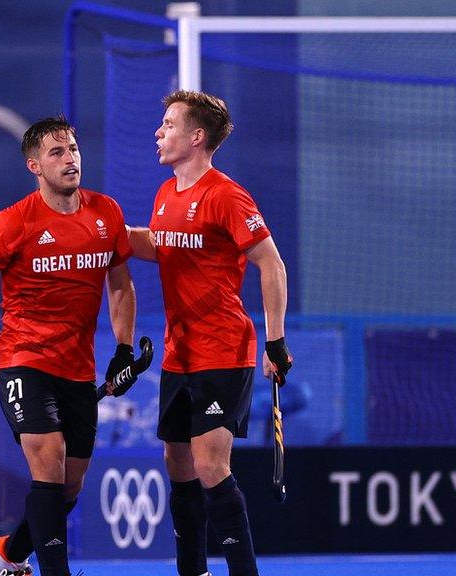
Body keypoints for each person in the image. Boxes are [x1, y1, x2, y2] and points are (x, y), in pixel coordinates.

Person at [0, 117, 138, 576]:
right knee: (49, 466)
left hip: (78, 368)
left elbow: (120, 287)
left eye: (73, 149)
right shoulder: (11, 223)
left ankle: (9, 554)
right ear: (35, 165)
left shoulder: (106, 213)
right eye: (57, 153)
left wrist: (123, 349)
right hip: (23, 360)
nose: (70, 158)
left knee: (68, 487)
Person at [126, 90, 293, 576]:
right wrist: (100, 229)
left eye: (169, 124)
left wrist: (276, 341)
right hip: (180, 354)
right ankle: (192, 570)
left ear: (197, 137)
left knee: (209, 465)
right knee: (176, 463)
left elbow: (271, 264)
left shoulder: (226, 195)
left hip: (224, 348)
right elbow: (161, 245)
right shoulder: (164, 194)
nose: (159, 131)